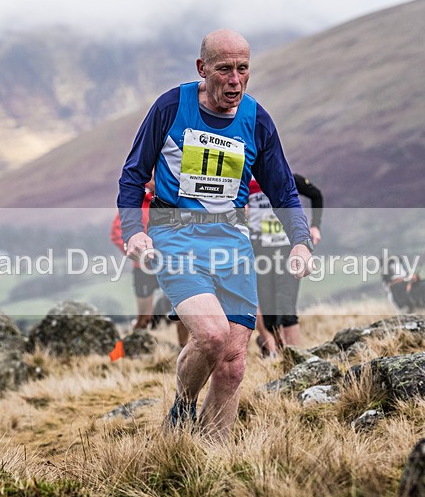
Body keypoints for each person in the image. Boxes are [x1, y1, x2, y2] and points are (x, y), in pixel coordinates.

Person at [117, 29, 313, 440]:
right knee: (210, 334)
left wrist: (300, 240)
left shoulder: (256, 119)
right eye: (224, 69)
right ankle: (183, 408)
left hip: (234, 243)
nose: (235, 80)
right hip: (176, 237)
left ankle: (211, 461)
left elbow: (282, 189)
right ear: (202, 69)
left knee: (234, 364)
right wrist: (135, 232)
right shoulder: (171, 107)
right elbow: (133, 176)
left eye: (243, 69)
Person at [248, 174, 323, 358]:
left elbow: (316, 195)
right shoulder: (244, 182)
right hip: (260, 252)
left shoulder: (286, 177)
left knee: (286, 307)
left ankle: (298, 363)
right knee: (268, 312)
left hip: (288, 250)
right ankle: (276, 350)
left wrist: (315, 226)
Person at [111, 182, 190, 346]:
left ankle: (183, 349)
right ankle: (134, 349)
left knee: (182, 311)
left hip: (172, 264)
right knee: (144, 317)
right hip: (144, 268)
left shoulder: (176, 194)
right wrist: (137, 254)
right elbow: (117, 232)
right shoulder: (137, 199)